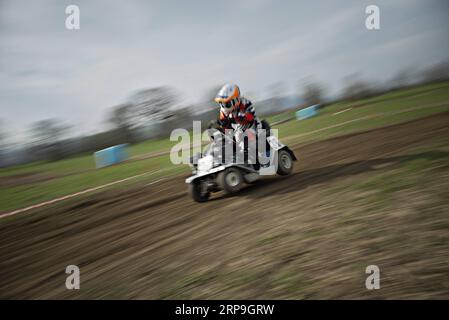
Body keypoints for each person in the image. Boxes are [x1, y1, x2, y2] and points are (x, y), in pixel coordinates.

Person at [213, 84, 270, 167]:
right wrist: (224, 125)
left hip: (252, 127)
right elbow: (227, 128)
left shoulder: (246, 103)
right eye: (222, 104)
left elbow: (251, 117)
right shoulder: (223, 111)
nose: (224, 106)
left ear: (236, 100)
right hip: (236, 131)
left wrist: (240, 118)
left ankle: (260, 158)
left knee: (246, 136)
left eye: (227, 104)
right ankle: (221, 158)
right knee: (218, 135)